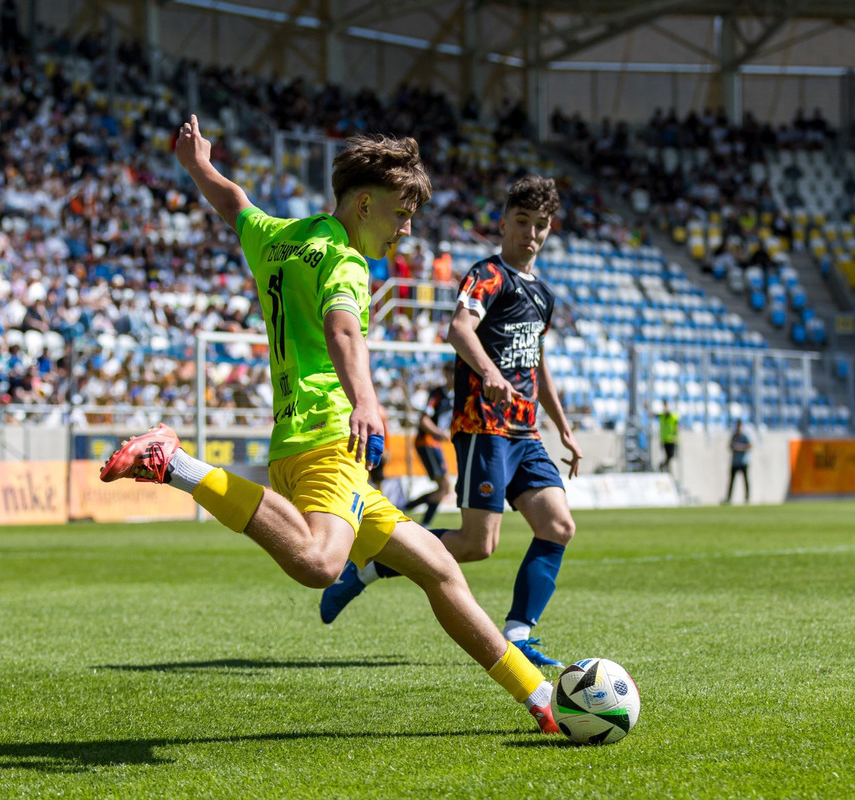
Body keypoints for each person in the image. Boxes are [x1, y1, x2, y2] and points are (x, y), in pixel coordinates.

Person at [99, 115, 561, 734]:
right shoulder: (344, 261)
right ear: (364, 203)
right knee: (320, 562)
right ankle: (174, 464)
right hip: (330, 437)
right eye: (399, 215)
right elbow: (345, 329)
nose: (404, 230)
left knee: (439, 567)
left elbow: (234, 202)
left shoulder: (283, 235)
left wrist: (197, 167)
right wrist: (365, 403)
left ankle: (538, 698)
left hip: (298, 441)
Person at [321, 176, 583, 670]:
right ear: (504, 223)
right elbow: (458, 329)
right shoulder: (487, 275)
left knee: (558, 525)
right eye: (521, 222)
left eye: (540, 226)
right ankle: (370, 567)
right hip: (483, 423)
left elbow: (537, 362)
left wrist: (563, 426)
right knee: (477, 544)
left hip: (526, 432)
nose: (530, 234)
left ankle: (520, 634)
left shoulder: (543, 295)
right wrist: (488, 373)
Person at [403, 360, 455, 526]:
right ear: (445, 374)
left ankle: (411, 511)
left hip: (435, 443)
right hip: (426, 441)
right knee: (445, 486)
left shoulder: (455, 395)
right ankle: (411, 513)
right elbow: (423, 420)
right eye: (450, 372)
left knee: (444, 488)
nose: (453, 376)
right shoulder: (438, 393)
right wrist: (439, 432)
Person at [725, 419, 752, 504]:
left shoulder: (745, 435)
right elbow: (729, 445)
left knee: (745, 480)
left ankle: (747, 498)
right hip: (735, 462)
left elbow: (750, 445)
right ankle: (729, 498)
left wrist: (740, 447)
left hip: (743, 461)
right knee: (732, 481)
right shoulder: (734, 436)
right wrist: (733, 447)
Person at [658, 403, 679, 472]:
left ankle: (663, 465)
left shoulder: (673, 417)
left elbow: (677, 425)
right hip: (664, 440)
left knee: (671, 455)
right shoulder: (662, 416)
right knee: (667, 455)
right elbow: (652, 415)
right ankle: (666, 467)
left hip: (671, 440)